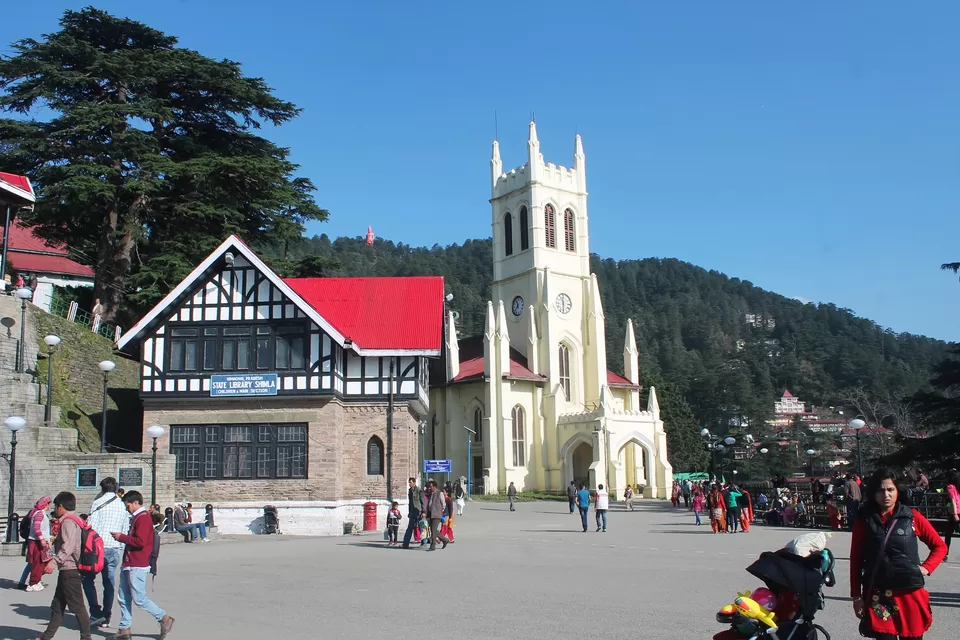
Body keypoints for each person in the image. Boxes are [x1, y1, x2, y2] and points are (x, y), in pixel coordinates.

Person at [850, 469, 947, 640]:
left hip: (909, 593)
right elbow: (856, 561)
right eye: (880, 490)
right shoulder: (864, 521)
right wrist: (856, 596)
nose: (886, 495)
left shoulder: (912, 517)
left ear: (898, 491)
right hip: (879, 595)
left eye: (890, 489)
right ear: (873, 493)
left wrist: (926, 568)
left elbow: (940, 546)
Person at [109, 491, 174, 640]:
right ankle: (124, 628)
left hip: (138, 563)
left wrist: (121, 537)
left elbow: (140, 542)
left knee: (139, 598)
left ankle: (164, 617)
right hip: (129, 562)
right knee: (123, 597)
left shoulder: (143, 518)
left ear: (136, 503)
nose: (127, 508)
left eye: (128, 505)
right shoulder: (136, 517)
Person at [38, 492, 93, 640]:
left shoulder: (68, 522)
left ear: (61, 507)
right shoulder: (75, 520)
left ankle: (86, 637)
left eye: (56, 506)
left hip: (70, 569)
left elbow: (68, 546)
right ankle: (46, 636)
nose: (55, 509)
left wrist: (54, 562)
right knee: (57, 605)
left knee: (77, 607)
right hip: (67, 570)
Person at [83, 477, 129, 629]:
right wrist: (120, 546)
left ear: (102, 488)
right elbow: (125, 528)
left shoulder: (97, 503)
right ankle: (107, 615)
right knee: (109, 582)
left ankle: (95, 611)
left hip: (97, 548)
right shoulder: (122, 505)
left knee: (87, 578)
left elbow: (91, 527)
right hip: (114, 547)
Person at [26, 496, 53, 592]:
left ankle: (37, 580)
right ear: (46, 504)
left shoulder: (41, 513)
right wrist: (42, 539)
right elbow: (37, 527)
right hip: (37, 541)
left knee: (42, 562)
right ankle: (32, 583)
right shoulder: (39, 513)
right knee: (37, 563)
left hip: (40, 541)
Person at [424, 480, 450, 551]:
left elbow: (443, 504)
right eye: (429, 487)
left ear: (435, 487)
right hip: (430, 513)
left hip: (437, 514)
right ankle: (445, 540)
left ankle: (432, 546)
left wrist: (440, 511)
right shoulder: (431, 493)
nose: (429, 488)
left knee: (433, 530)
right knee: (433, 530)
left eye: (431, 486)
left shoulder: (440, 493)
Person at [402, 477, 425, 549]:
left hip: (419, 512)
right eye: (409, 482)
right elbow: (410, 503)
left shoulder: (419, 490)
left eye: (410, 482)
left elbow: (423, 502)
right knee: (409, 528)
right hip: (412, 512)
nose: (409, 484)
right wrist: (409, 512)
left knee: (422, 527)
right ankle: (405, 544)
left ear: (414, 482)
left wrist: (423, 511)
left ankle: (424, 542)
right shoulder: (410, 491)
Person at [944, 472, 959, 561]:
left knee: (948, 534)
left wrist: (955, 514)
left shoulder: (950, 487)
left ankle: (945, 553)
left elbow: (953, 500)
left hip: (955, 511)